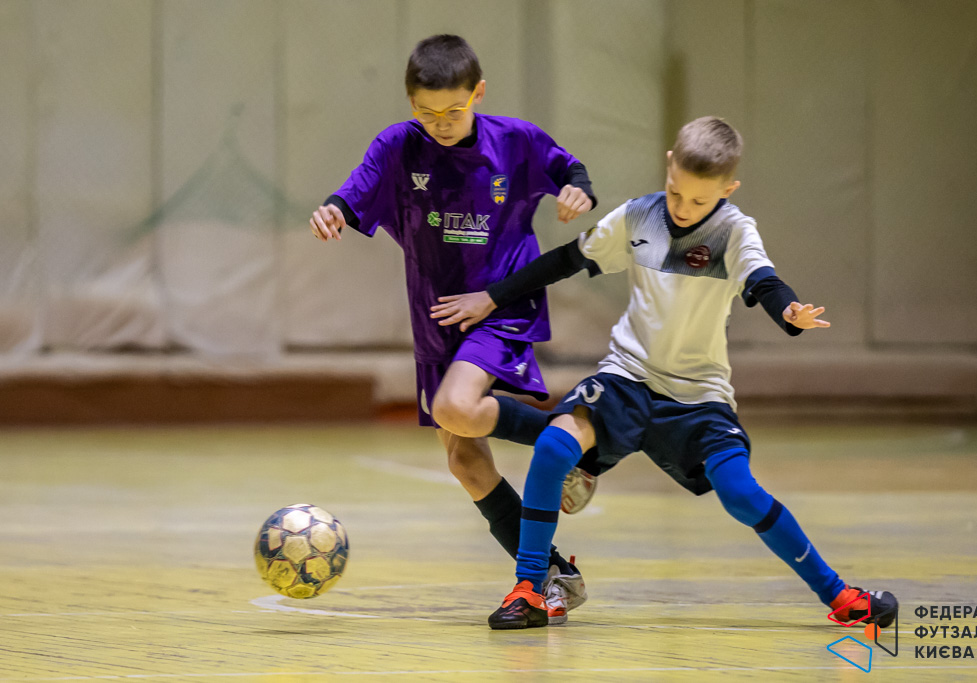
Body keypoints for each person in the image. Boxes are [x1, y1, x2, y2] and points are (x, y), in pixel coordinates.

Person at [431, 116, 899, 630]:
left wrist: (789, 311)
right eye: (676, 192)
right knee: (552, 448)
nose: (683, 207)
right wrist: (492, 297)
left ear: (728, 189)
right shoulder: (639, 215)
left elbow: (764, 281)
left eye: (699, 200)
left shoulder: (735, 231)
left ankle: (840, 595)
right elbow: (567, 259)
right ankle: (531, 589)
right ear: (670, 164)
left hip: (698, 399)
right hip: (626, 379)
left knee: (742, 495)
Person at [309, 35, 595, 622]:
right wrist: (333, 209)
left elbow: (569, 167)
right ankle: (552, 575)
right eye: (427, 112)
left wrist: (578, 191)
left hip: (499, 304)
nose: (440, 123)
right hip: (436, 316)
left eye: (453, 111)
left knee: (456, 407)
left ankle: (567, 439)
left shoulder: (513, 141)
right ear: (410, 102)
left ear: (478, 94)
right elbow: (355, 190)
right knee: (464, 461)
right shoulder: (397, 146)